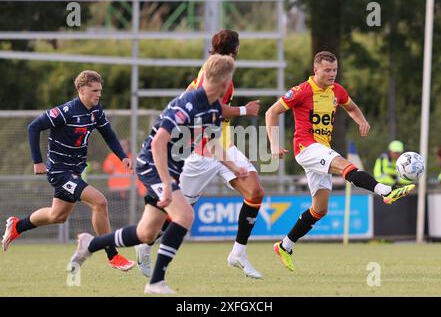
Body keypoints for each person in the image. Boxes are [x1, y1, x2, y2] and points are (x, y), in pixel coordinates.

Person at [68, 54, 246, 294]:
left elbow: (212, 142)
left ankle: (91, 243)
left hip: (170, 169)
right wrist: (166, 183)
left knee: (146, 233)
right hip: (153, 165)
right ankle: (156, 282)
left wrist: (234, 167)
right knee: (184, 216)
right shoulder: (188, 103)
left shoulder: (213, 109)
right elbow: (158, 142)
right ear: (225, 83)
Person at [265, 51, 416, 272]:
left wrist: (361, 120)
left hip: (321, 150)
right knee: (346, 166)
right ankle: (386, 191)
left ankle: (285, 246)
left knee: (320, 209)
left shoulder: (337, 91)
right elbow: (272, 112)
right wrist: (274, 144)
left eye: (334, 69)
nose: (332, 74)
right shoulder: (301, 91)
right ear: (315, 70)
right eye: (327, 70)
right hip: (306, 147)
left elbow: (351, 107)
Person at [135, 29, 264, 279]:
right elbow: (209, 107)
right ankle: (145, 243)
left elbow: (195, 99)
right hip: (202, 150)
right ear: (236, 48)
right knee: (175, 214)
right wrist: (243, 109)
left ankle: (238, 253)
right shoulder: (214, 71)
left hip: (222, 144)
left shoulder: (215, 67)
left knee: (255, 191)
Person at [1, 70, 135, 271]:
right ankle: (112, 255)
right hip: (59, 171)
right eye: (94, 90)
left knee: (58, 216)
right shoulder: (65, 111)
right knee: (100, 202)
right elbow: (33, 127)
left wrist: (122, 156)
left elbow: (109, 135)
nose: (98, 95)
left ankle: (17, 226)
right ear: (81, 90)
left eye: (100, 90)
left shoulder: (96, 112)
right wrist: (38, 162)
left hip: (75, 171)